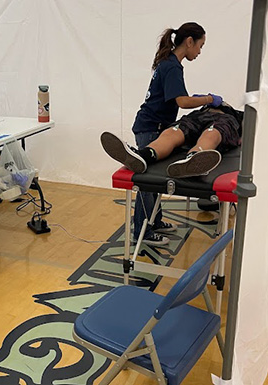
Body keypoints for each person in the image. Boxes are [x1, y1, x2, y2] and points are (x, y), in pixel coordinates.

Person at [102, 22, 223, 246]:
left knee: (155, 181)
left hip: (153, 124)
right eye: (200, 46)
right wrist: (207, 99)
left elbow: (177, 98)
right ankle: (142, 233)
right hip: (151, 127)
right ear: (189, 42)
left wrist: (196, 98)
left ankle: (154, 221)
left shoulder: (168, 63)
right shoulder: (173, 66)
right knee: (147, 185)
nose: (199, 52)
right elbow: (183, 102)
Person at [101, 102, 243, 177]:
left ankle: (193, 159)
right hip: (197, 117)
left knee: (212, 133)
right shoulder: (204, 108)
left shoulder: (237, 114)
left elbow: (252, 127)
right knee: (173, 132)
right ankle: (143, 155)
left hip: (225, 120)